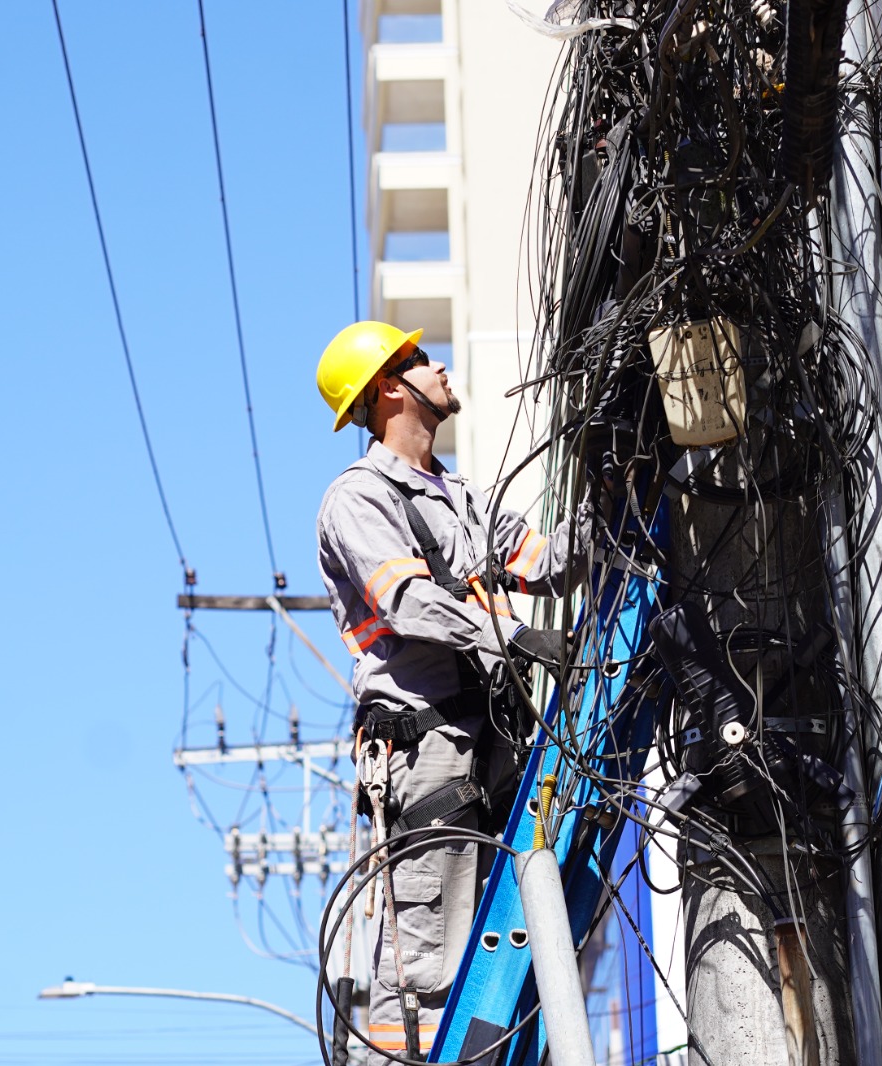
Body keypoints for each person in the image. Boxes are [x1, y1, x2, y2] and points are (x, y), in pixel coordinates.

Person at [315, 320, 593, 1062]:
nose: (441, 368)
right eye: (421, 361)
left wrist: (612, 482)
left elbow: (546, 558)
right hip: (427, 747)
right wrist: (516, 638)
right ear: (388, 389)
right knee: (430, 956)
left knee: (519, 936)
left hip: (495, 740)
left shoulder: (462, 496)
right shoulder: (359, 497)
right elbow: (406, 602)